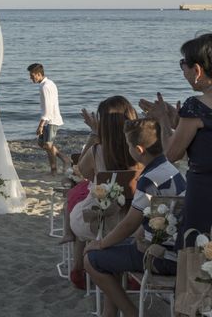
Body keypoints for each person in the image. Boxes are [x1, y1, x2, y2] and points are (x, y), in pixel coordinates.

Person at [84, 118, 186, 317]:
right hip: (176, 249)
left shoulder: (149, 179)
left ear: (139, 150)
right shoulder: (171, 169)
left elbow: (130, 223)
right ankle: (109, 313)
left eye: (128, 145)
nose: (127, 149)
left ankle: (131, 313)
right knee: (110, 253)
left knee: (91, 259)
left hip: (162, 256)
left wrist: (102, 243)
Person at [65, 96, 143, 289]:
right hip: (136, 224)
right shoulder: (144, 152)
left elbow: (82, 172)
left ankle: (78, 268)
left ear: (104, 125)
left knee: (78, 199)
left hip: (101, 223)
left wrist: (94, 133)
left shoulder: (97, 151)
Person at [143, 32, 212, 248]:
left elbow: (173, 154)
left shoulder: (196, 106)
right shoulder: (194, 112)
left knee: (196, 255)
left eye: (183, 64)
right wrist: (178, 123)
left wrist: (163, 120)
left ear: (198, 70)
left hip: (204, 193)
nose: (183, 70)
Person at [27, 63, 69, 173]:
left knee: (48, 145)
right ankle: (65, 158)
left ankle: (54, 170)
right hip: (48, 119)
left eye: (32, 75)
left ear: (39, 74)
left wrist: (41, 125)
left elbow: (48, 107)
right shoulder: (49, 83)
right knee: (42, 143)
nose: (30, 78)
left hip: (51, 120)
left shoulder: (45, 86)